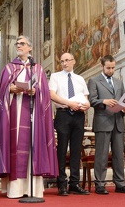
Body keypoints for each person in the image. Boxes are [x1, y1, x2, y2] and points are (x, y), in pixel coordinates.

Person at [0, 35, 58, 198]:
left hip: (33, 113)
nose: (19, 46)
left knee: (32, 146)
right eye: (17, 44)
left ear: (30, 48)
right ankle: (15, 188)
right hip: (13, 112)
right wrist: (10, 89)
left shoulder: (38, 69)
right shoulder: (9, 68)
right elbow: (0, 91)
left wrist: (36, 92)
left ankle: (32, 188)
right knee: (14, 146)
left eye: (22, 44)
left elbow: (45, 92)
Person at [87, 55, 125, 194]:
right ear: (102, 66)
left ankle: (120, 184)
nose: (111, 70)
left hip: (118, 121)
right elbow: (92, 100)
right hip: (103, 121)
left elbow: (124, 99)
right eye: (108, 68)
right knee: (101, 155)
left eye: (113, 67)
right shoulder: (94, 81)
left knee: (119, 155)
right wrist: (104, 101)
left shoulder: (119, 82)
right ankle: (100, 184)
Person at [49, 52, 91, 196]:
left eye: (67, 60)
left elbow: (86, 98)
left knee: (76, 150)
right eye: (62, 61)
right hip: (63, 114)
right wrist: (69, 103)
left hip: (79, 115)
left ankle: (74, 183)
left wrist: (87, 105)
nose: (65, 63)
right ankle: (61, 183)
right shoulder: (55, 76)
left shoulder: (80, 79)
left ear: (73, 61)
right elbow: (52, 95)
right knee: (61, 149)